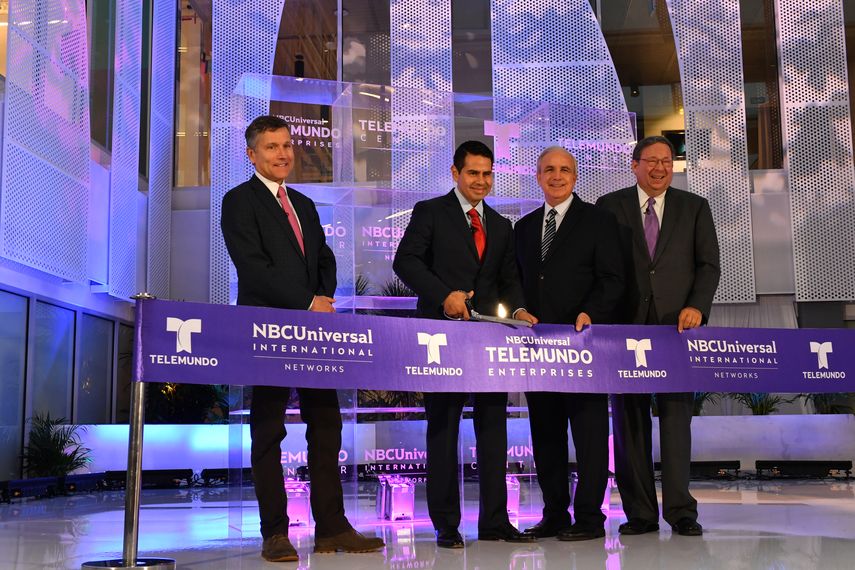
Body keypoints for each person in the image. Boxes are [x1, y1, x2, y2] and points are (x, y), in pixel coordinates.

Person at [220, 115, 384, 562]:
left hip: (315, 335)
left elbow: (324, 259)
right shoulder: (238, 201)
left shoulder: (305, 205)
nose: (283, 154)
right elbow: (253, 268)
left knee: (326, 424)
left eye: (287, 145)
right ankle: (275, 531)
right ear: (252, 154)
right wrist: (307, 302)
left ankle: (331, 526)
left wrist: (325, 296)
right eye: (272, 147)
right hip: (268, 332)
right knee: (268, 429)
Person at [393, 140, 538, 548]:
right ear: (455, 173)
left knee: (493, 429)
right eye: (473, 172)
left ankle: (495, 521)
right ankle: (446, 525)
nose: (481, 180)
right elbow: (406, 262)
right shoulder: (430, 212)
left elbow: (509, 277)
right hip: (442, 339)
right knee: (443, 429)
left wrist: (521, 309)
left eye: (487, 173)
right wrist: (444, 295)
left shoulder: (501, 224)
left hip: (490, 340)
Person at [596, 135, 721, 537]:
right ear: (634, 165)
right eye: (651, 161)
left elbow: (708, 266)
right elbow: (601, 267)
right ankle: (640, 514)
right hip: (625, 330)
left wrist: (698, 307)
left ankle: (682, 511)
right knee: (629, 423)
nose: (660, 168)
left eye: (667, 161)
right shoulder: (609, 207)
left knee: (676, 420)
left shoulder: (695, 207)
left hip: (677, 329)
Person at [514, 147, 624, 541]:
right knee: (546, 436)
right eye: (548, 170)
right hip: (539, 352)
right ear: (538, 177)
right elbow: (518, 283)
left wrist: (591, 311)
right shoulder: (524, 228)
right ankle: (555, 515)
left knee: (590, 437)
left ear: (575, 177)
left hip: (584, 347)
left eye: (564, 170)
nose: (556, 176)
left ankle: (591, 520)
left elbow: (613, 278)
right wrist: (519, 308)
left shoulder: (599, 221)